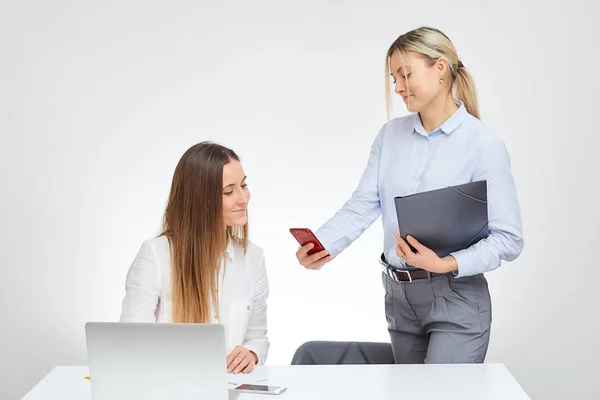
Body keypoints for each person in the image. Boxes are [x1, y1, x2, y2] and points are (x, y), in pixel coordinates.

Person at [295, 26, 523, 364]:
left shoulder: (483, 145)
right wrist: (323, 244)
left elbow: (508, 239)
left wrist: (445, 263)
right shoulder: (389, 136)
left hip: (456, 299)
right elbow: (362, 206)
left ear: (441, 68)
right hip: (399, 297)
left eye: (406, 75)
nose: (399, 88)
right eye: (394, 79)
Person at [120, 141, 269, 374]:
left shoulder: (254, 258)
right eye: (229, 191)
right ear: (200, 199)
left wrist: (250, 354)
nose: (244, 198)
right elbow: (131, 342)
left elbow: (257, 338)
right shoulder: (156, 256)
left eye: (243, 185)